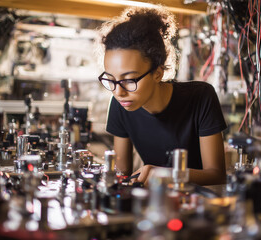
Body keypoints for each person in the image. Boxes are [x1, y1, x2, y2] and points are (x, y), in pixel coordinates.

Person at [97, 5, 227, 186]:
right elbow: (121, 174)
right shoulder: (121, 104)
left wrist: (166, 174)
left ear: (157, 73)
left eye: (129, 80)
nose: (118, 92)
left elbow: (217, 175)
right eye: (111, 80)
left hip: (201, 204)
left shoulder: (200, 97)